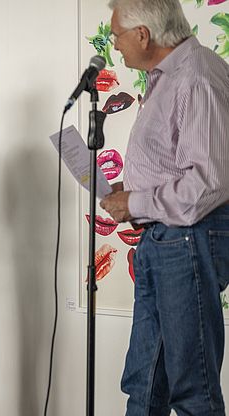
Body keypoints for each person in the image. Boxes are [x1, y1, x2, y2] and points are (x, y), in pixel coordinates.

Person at [100, 0, 229, 414]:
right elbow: (177, 162)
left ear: (143, 34)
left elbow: (208, 182)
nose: (114, 44)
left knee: (192, 388)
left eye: (117, 33)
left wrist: (135, 200)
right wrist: (130, 186)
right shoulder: (167, 78)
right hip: (164, 241)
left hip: (187, 241)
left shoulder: (197, 75)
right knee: (144, 380)